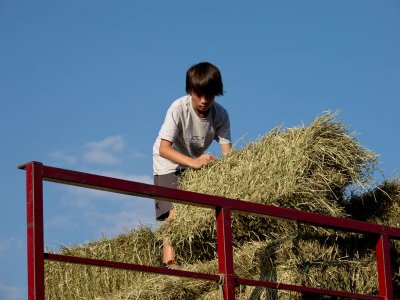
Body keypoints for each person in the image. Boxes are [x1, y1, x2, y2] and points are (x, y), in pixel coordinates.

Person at [152, 61, 232, 268]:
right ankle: (169, 262)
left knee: (198, 209)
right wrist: (194, 163)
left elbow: (230, 156)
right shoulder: (178, 109)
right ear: (189, 90)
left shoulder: (220, 115)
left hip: (192, 162)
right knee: (176, 209)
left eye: (210, 95)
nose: (204, 101)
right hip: (167, 161)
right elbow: (164, 148)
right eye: (199, 94)